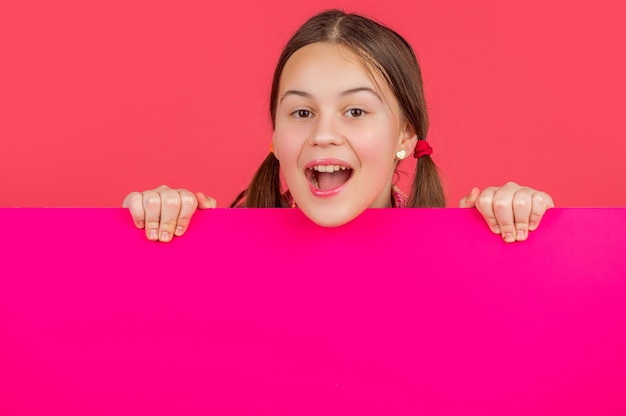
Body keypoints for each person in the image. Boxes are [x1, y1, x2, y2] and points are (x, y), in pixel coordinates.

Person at [123, 9, 554, 243]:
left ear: (406, 134)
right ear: (275, 137)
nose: (323, 134)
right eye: (302, 113)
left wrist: (518, 219)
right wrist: (160, 221)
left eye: (355, 111)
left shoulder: (462, 249)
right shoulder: (215, 250)